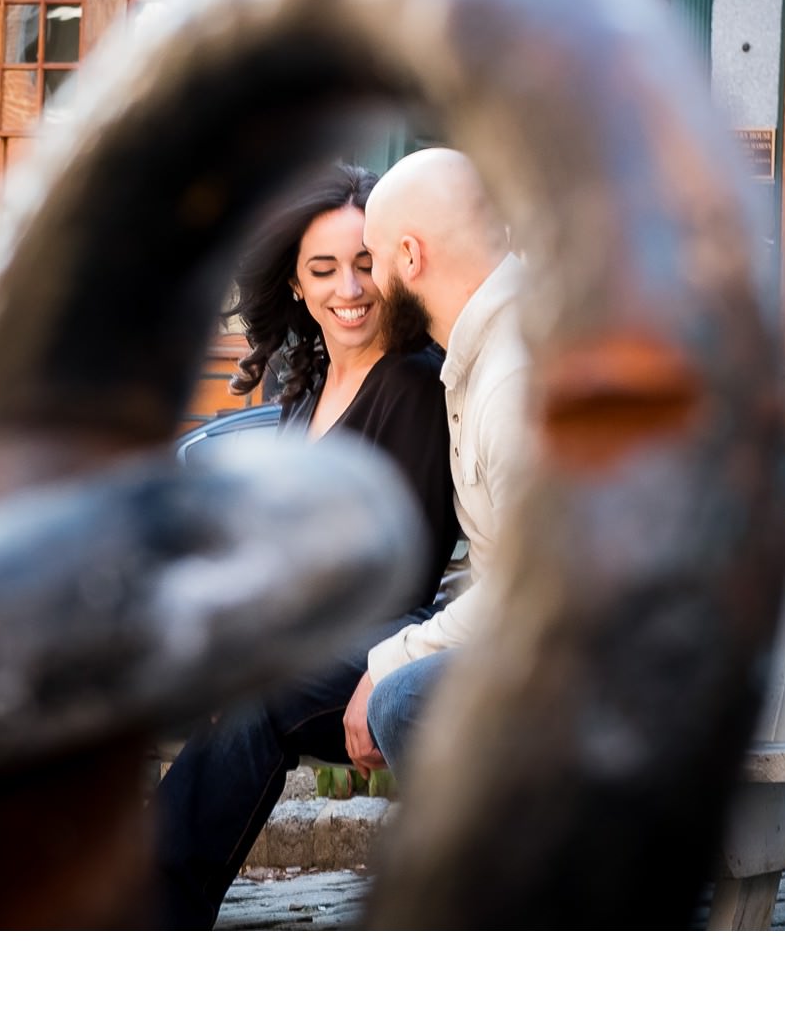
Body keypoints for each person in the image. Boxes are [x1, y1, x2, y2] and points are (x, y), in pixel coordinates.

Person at [151, 162, 460, 930]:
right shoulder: (309, 389)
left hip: (392, 640)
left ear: (394, 265)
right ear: (295, 284)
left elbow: (400, 565)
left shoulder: (415, 383)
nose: (348, 288)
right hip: (308, 635)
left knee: (255, 695)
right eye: (323, 269)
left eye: (364, 264)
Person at [343, 146, 533, 783]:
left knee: (404, 699)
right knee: (320, 668)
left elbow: (534, 591)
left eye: (372, 260)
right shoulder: (480, 354)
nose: (366, 284)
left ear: (411, 257)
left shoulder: (517, 378)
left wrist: (390, 660)